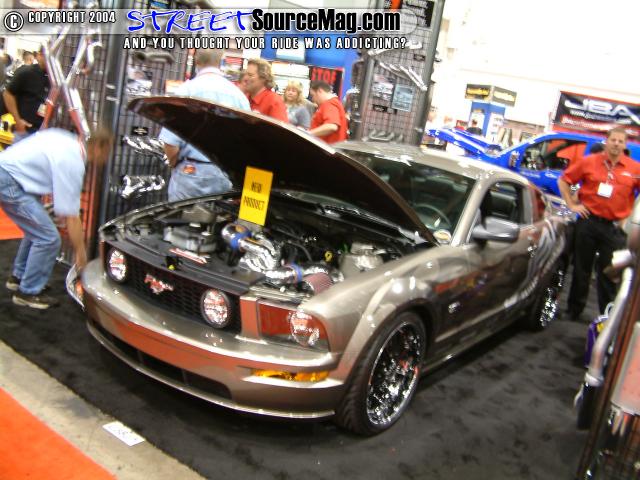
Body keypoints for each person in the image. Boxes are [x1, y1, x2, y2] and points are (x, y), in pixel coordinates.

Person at [0, 127, 113, 309]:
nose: (107, 158)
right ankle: (28, 292)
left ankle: (19, 277)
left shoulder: (67, 139)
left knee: (36, 231)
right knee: (48, 238)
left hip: (10, 174)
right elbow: (71, 216)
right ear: (99, 146)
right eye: (108, 151)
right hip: (10, 182)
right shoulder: (73, 161)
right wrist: (81, 253)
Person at [558, 127, 640, 320]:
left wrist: (630, 218)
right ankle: (573, 311)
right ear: (607, 141)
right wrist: (572, 204)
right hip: (588, 222)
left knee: (609, 273)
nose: (616, 144)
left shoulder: (634, 169)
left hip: (614, 228)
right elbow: (564, 180)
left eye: (620, 141)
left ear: (625, 144)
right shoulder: (589, 162)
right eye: (613, 140)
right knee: (581, 269)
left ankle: (606, 316)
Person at [159, 49, 250, 202]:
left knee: (182, 215)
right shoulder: (238, 96)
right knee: (219, 215)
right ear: (221, 61)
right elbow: (245, 142)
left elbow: (170, 141)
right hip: (223, 175)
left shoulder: (185, 91)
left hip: (189, 173)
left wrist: (175, 164)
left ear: (196, 61)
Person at [2, 47, 49, 141]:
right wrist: (18, 120)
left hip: (44, 133)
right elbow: (8, 94)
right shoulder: (26, 73)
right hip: (25, 131)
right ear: (39, 55)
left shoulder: (54, 78)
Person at [245, 58, 288, 122]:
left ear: (263, 78)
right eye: (245, 74)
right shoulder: (245, 97)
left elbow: (281, 127)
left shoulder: (274, 102)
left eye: (250, 75)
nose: (245, 78)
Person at [308, 80, 348, 144]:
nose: (313, 99)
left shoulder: (329, 104)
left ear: (320, 91)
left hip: (327, 146)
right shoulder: (333, 103)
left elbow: (331, 126)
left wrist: (308, 134)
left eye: (313, 95)